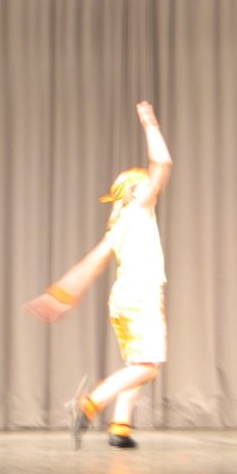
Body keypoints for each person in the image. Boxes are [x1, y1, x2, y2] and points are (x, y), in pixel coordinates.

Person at [24, 101, 172, 449]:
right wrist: (149, 124)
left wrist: (60, 296)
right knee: (148, 366)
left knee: (137, 362)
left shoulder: (117, 226)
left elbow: (91, 264)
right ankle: (89, 405)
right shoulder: (140, 208)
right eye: (145, 183)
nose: (152, 187)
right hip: (141, 296)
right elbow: (163, 163)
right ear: (135, 191)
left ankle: (120, 427)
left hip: (124, 299)